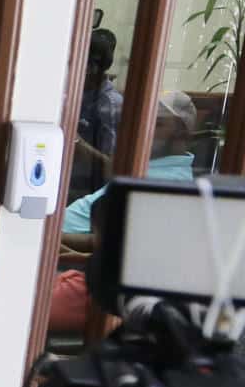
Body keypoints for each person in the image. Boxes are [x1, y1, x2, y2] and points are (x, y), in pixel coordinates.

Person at [49, 91, 199, 335]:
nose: (149, 130)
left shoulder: (170, 187)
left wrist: (52, 238)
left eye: (159, 123)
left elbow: (115, 241)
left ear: (182, 133)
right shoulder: (145, 166)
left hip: (69, 268)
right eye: (149, 121)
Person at [71, 29, 123, 201]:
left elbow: (113, 168)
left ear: (89, 68)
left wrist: (78, 144)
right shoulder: (76, 94)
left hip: (87, 198)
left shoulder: (110, 105)